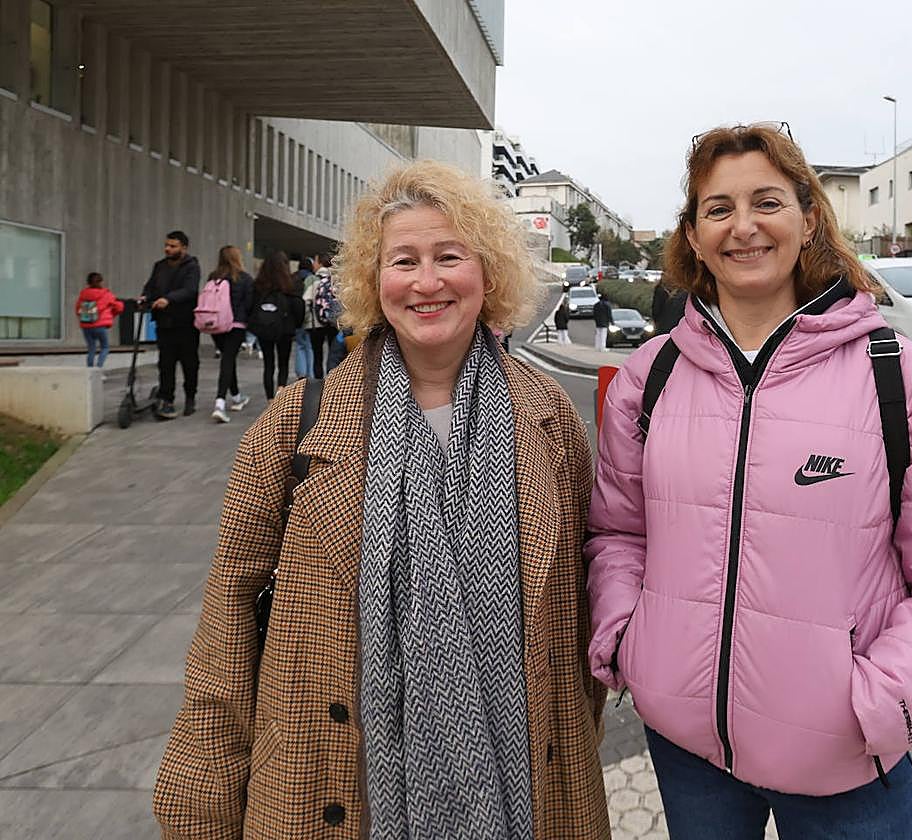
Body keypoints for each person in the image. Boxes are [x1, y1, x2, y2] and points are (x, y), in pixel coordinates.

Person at [585, 123, 912, 840]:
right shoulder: (650, 378)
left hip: (845, 767)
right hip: (689, 752)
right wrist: (632, 639)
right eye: (718, 209)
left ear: (808, 217)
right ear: (693, 236)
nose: (744, 226)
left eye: (767, 201)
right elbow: (617, 533)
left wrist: (878, 705)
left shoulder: (899, 380)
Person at [154, 160, 609, 839]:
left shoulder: (547, 417)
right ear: (375, 281)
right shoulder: (296, 422)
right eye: (404, 261)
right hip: (328, 786)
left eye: (449, 256)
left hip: (532, 788)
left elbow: (576, 611)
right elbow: (227, 615)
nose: (427, 282)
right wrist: (203, 801)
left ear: (487, 274)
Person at [140, 230, 201, 418]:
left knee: (189, 363)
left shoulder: (192, 267)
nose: (168, 249)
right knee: (165, 363)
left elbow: (190, 290)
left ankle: (190, 397)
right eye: (166, 245)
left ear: (183, 247)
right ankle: (167, 399)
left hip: (185, 323)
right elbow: (150, 287)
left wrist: (168, 299)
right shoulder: (159, 266)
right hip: (164, 322)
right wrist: (145, 297)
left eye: (173, 246)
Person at [205, 245, 253, 423]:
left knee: (227, 358)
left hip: (215, 325)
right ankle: (219, 403)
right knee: (228, 360)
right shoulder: (245, 278)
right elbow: (249, 304)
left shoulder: (213, 277)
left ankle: (237, 396)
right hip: (236, 324)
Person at [248, 251, 304, 400]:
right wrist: (296, 325)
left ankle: (269, 399)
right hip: (285, 329)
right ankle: (280, 392)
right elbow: (298, 307)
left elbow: (251, 307)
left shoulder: (258, 284)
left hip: (264, 328)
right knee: (283, 363)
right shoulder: (290, 284)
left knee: (268, 364)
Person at [75, 272, 124, 368]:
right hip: (100, 325)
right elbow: (119, 307)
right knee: (105, 347)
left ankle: (89, 370)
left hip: (86, 326)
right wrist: (112, 313)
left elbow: (78, 309)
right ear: (101, 282)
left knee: (91, 348)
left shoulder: (83, 294)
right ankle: (99, 368)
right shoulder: (106, 294)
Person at [308, 253, 340, 377]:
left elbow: (308, 301)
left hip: (317, 322)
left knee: (317, 355)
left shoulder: (313, 279)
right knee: (334, 355)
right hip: (334, 322)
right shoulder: (337, 279)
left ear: (320, 263)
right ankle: (333, 380)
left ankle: (318, 384)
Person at [292, 257, 316, 380]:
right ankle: (310, 374)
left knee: (300, 345)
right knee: (308, 346)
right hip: (308, 318)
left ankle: (301, 374)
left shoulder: (293, 277)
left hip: (295, 317)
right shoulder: (312, 278)